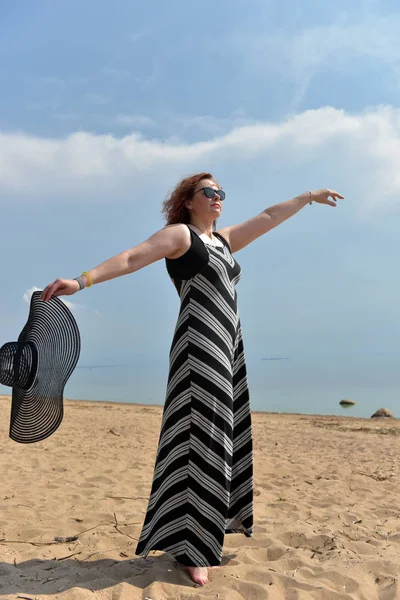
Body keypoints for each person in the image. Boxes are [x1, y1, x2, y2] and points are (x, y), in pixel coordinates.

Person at [41, 173, 343, 586]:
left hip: (228, 346)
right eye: (209, 192)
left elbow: (269, 215)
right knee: (203, 438)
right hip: (199, 345)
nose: (218, 198)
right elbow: (132, 258)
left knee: (224, 434)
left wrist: (308, 197)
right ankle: (193, 548)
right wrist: (80, 281)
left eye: (222, 192)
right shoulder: (181, 236)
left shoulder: (224, 240)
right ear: (188, 200)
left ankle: (206, 532)